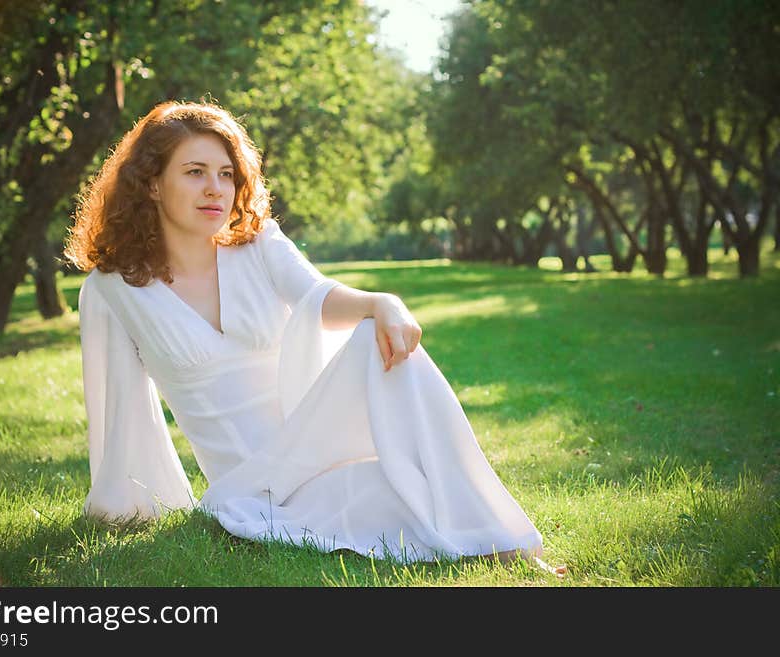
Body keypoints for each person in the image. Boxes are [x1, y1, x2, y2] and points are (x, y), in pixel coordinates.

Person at [63, 100, 566, 578]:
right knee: (391, 508)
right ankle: (497, 540)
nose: (215, 189)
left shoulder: (258, 245)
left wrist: (382, 302)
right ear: (151, 184)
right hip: (247, 486)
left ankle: (508, 542)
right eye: (194, 172)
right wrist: (124, 499)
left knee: (385, 357)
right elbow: (120, 408)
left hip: (313, 447)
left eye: (226, 174)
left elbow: (318, 297)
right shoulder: (114, 288)